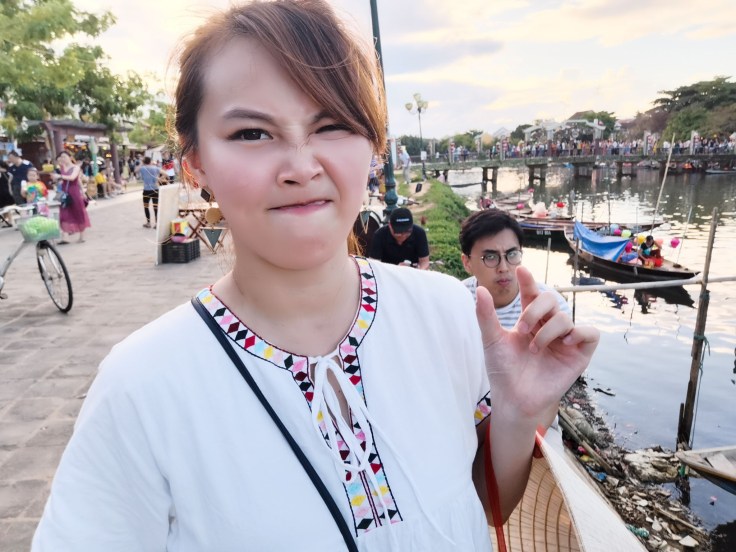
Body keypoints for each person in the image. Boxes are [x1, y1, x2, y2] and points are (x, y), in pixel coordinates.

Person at [33, 2, 598, 550]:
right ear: (196, 164)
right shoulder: (140, 386)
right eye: (251, 133)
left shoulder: (447, 311)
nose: (301, 168)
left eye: (332, 125)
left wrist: (518, 414)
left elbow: (482, 507)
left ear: (373, 146)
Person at [460, 209, 571, 325]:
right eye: (490, 257)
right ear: (467, 263)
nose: (504, 268)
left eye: (512, 254)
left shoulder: (551, 309)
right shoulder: (456, 301)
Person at [55, 150, 91, 243]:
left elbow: (73, 178)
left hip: (74, 192)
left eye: (64, 156)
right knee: (64, 214)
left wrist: (82, 191)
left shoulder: (76, 167)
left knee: (78, 212)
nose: (63, 159)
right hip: (64, 192)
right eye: (61, 157)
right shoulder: (61, 167)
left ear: (70, 157)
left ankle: (82, 236)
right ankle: (65, 237)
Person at [137, 156, 161, 228]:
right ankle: (157, 224)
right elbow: (166, 174)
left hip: (146, 190)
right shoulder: (155, 168)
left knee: (146, 207)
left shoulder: (143, 168)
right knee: (156, 207)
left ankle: (148, 223)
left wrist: (141, 163)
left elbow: (135, 170)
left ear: (144, 162)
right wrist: (158, 179)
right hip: (155, 189)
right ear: (150, 161)